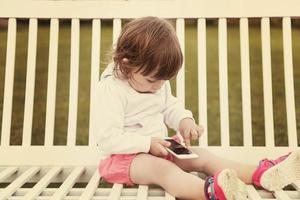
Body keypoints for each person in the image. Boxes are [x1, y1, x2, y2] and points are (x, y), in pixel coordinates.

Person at [92, 16, 300, 200]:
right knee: (162, 169)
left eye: (164, 81)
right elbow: (108, 138)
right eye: (152, 80)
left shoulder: (154, 80)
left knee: (201, 156)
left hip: (158, 149)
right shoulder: (111, 90)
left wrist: (184, 120)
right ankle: (209, 192)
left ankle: (261, 174)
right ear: (127, 64)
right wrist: (147, 144)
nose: (158, 87)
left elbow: (169, 105)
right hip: (122, 160)